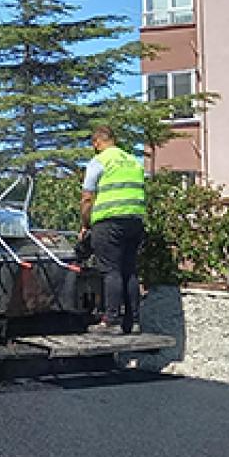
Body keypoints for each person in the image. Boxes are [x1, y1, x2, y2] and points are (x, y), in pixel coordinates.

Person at [80, 126, 146, 334]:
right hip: (135, 221)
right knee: (129, 270)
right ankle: (133, 321)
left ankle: (111, 321)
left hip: (109, 223)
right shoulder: (133, 161)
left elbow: (87, 198)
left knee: (111, 271)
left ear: (97, 142)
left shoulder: (99, 161)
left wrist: (85, 224)